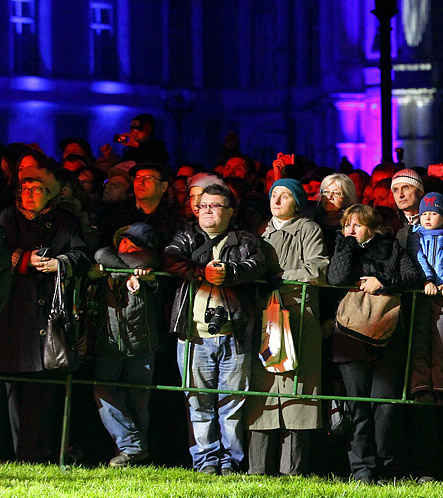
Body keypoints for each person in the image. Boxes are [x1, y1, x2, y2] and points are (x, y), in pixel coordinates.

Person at [163, 184, 268, 475]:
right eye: (203, 205)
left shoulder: (245, 240)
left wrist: (230, 273)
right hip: (193, 334)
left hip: (234, 335)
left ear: (230, 211)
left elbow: (257, 266)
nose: (207, 210)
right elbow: (170, 259)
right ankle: (205, 460)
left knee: (231, 404)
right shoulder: (187, 235)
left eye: (215, 205)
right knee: (198, 402)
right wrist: (202, 272)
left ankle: (230, 462)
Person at [0, 165, 91, 462]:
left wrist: (59, 263)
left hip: (48, 315)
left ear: (48, 194)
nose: (29, 195)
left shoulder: (64, 221)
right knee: (14, 387)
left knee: (43, 389)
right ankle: (19, 452)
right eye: (24, 189)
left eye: (36, 189)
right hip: (13, 312)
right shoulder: (6, 218)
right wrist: (22, 260)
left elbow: (81, 255)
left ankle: (34, 453)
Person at [327, 204, 420, 483]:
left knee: (385, 405)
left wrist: (384, 282)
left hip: (387, 335)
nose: (350, 229)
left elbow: (412, 276)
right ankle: (362, 469)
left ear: (372, 227)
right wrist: (347, 247)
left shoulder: (391, 247)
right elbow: (336, 277)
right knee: (357, 406)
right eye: (346, 224)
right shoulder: (343, 246)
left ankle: (387, 467)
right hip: (350, 338)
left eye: (357, 224)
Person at [248, 178, 329, 476]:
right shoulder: (261, 233)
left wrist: (281, 276)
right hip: (266, 317)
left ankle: (292, 470)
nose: (277, 200)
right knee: (263, 391)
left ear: (297, 201)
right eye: (274, 195)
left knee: (299, 392)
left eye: (285, 196)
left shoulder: (308, 229)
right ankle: (258, 469)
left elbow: (318, 268)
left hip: (298, 317)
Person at [91, 223, 162, 468]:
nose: (126, 246)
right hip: (110, 340)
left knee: (138, 400)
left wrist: (124, 270)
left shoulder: (148, 261)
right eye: (123, 241)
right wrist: (129, 273)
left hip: (142, 342)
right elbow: (101, 254)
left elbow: (143, 260)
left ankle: (133, 454)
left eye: (133, 244)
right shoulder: (117, 261)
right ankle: (132, 447)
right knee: (104, 390)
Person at [406, 192, 443, 403]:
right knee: (420, 339)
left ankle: (442, 385)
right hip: (422, 295)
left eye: (433, 213)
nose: (428, 218)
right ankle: (420, 385)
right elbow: (417, 258)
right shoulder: (415, 236)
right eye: (424, 214)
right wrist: (426, 280)